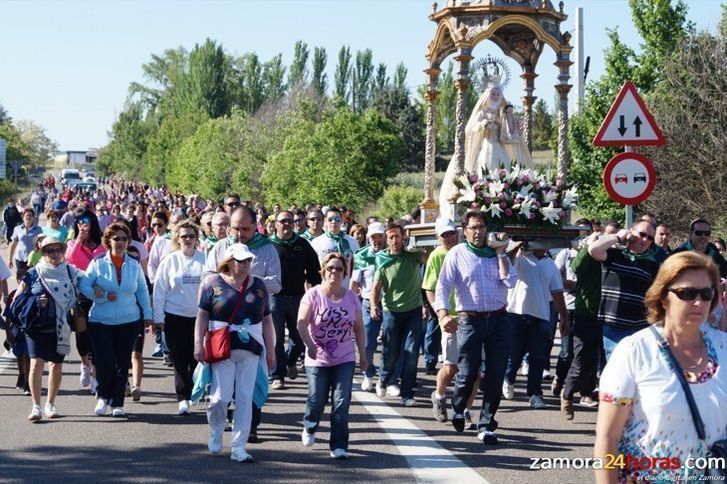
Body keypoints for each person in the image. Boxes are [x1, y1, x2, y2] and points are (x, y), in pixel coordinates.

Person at [594, 252, 727, 482]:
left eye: (706, 294)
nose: (698, 302)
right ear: (664, 296)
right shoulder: (635, 351)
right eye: (687, 293)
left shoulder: (724, 347)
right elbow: (607, 437)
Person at [435, 210, 517, 444]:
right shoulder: (457, 253)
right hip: (470, 320)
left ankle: (486, 424)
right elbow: (442, 287)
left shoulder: (496, 252)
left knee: (495, 373)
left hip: (499, 319)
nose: (478, 231)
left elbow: (510, 281)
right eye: (473, 227)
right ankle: (459, 408)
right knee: (468, 371)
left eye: (481, 227)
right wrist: (442, 315)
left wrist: (501, 253)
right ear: (465, 231)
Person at [194, 244, 276, 462]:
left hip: (250, 349)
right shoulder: (214, 283)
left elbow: (267, 319)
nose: (246, 265)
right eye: (241, 261)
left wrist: (271, 350)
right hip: (222, 349)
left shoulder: (258, 286)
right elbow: (202, 315)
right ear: (229, 261)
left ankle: (239, 447)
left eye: (249, 260)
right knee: (220, 398)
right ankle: (216, 430)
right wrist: (198, 344)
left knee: (244, 398)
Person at [297, 253, 367, 459]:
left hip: (344, 357)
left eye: (338, 269)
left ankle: (338, 445)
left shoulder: (352, 297)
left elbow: (360, 328)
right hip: (317, 357)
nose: (334, 272)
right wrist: (309, 345)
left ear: (345, 273)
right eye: (330, 268)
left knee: (341, 402)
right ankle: (310, 425)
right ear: (323, 271)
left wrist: (363, 355)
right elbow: (301, 322)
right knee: (316, 399)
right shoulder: (313, 294)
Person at [80, 222, 153, 417]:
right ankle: (103, 397)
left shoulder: (134, 264)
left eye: (123, 239)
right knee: (105, 362)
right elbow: (84, 285)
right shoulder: (97, 263)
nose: (120, 242)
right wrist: (101, 296)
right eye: (116, 238)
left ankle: (117, 403)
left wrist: (148, 314)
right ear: (108, 241)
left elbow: (142, 290)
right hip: (99, 321)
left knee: (122, 363)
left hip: (129, 321)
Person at [13, 237, 84, 421]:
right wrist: (35, 301)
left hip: (60, 327)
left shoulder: (70, 271)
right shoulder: (33, 274)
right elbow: (17, 302)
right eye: (49, 251)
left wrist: (102, 291)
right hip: (36, 328)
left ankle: (50, 404)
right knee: (36, 365)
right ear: (42, 253)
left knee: (56, 367)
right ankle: (36, 406)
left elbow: (89, 281)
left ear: (62, 252)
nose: (54, 254)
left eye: (57, 250)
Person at [502, 242, 570, 409]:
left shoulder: (551, 265)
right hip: (515, 314)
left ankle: (534, 394)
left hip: (541, 316)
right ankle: (508, 379)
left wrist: (564, 318)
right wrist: (517, 245)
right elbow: (505, 260)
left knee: (538, 357)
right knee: (515, 356)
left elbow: (557, 293)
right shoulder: (519, 258)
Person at [425, 219, 479, 427]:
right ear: (438, 237)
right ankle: (438, 396)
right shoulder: (437, 256)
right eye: (444, 235)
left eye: (451, 233)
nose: (449, 238)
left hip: (473, 317)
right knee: (452, 368)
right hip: (451, 319)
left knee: (475, 371)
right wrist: (441, 314)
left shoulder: (470, 250)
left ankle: (466, 409)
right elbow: (430, 289)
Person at [588, 220, 660, 361]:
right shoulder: (614, 254)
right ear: (631, 233)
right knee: (616, 369)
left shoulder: (652, 265)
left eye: (650, 237)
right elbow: (593, 250)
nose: (645, 240)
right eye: (642, 234)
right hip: (613, 326)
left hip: (639, 328)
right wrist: (618, 237)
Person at [153, 220, 205, 415]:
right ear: (177, 238)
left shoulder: (205, 259)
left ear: (196, 238)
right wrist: (158, 317)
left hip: (199, 318)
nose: (188, 239)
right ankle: (182, 398)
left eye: (192, 236)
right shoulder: (170, 261)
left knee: (196, 358)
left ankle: (194, 392)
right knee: (179, 360)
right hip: (174, 317)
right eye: (184, 236)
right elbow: (159, 290)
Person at [370, 223, 425, 407]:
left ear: (403, 237)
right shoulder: (382, 259)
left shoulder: (413, 255)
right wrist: (372, 305)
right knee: (390, 352)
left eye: (398, 237)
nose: (394, 240)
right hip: (391, 312)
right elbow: (376, 287)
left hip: (413, 310)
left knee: (411, 353)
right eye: (391, 237)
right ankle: (383, 379)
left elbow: (430, 258)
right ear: (387, 239)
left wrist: (420, 246)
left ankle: (407, 393)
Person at [268, 210, 322, 389]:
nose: (287, 224)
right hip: (275, 298)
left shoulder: (302, 244)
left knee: (299, 338)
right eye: (283, 221)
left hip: (299, 298)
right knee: (276, 339)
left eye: (291, 221)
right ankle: (278, 375)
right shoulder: (269, 245)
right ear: (275, 223)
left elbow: (314, 269)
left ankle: (290, 361)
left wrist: (315, 290)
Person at [64, 208, 105, 389]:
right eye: (79, 221)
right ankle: (84, 364)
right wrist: (79, 239)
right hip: (80, 296)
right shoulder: (73, 242)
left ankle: (96, 374)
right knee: (82, 335)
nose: (83, 224)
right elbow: (70, 259)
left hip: (99, 295)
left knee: (97, 335)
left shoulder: (102, 243)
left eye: (86, 220)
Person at [350, 222, 386, 391]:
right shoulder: (361, 255)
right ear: (368, 238)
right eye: (373, 237)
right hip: (367, 304)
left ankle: (386, 378)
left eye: (380, 236)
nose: (377, 240)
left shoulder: (391, 253)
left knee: (391, 344)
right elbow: (355, 283)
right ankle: (368, 374)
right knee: (367, 344)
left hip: (390, 304)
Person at [310, 207, 359, 287]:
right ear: (325, 221)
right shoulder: (316, 242)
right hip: (324, 289)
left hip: (346, 289)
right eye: (330, 219)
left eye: (337, 219)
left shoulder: (352, 241)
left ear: (342, 221)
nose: (334, 222)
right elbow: (311, 269)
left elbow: (358, 267)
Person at [8, 208, 43, 279]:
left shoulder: (38, 229)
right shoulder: (17, 229)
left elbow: (42, 244)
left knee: (34, 279)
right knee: (21, 279)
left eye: (30, 215)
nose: (28, 217)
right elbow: (13, 244)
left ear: (33, 217)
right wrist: (10, 259)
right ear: (23, 217)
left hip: (34, 259)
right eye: (27, 215)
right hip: (20, 259)